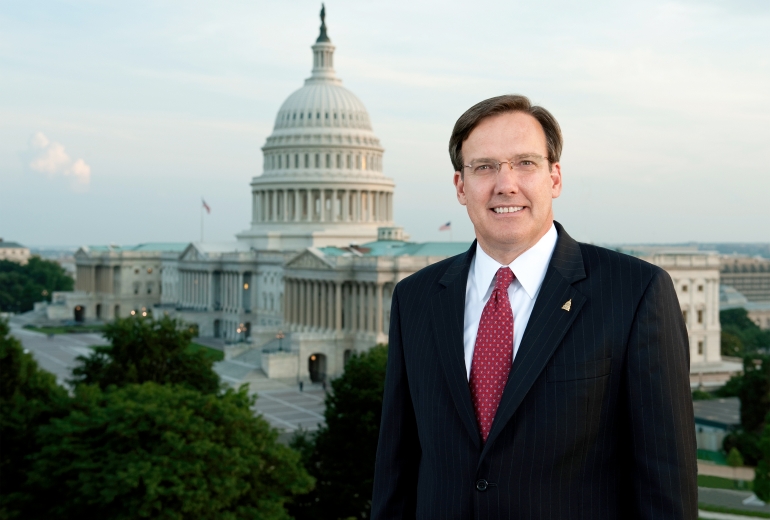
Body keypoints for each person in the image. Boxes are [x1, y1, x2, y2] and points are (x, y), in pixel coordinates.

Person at [371, 95, 697, 519]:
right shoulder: (415, 298)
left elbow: (665, 484)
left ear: (554, 178)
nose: (505, 184)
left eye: (525, 163)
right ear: (460, 186)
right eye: (484, 166)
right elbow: (396, 469)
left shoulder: (635, 293)